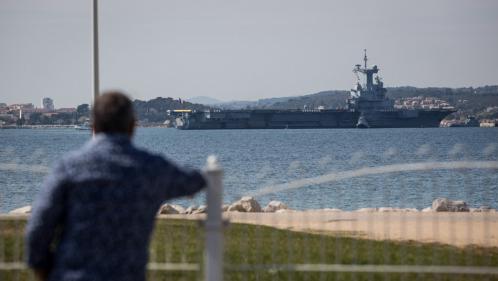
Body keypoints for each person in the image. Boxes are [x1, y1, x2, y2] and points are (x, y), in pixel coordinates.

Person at [25, 91, 206, 281]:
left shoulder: (68, 167)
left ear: (93, 126)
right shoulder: (151, 168)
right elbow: (194, 181)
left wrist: (41, 267)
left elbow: (39, 225)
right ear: (132, 126)